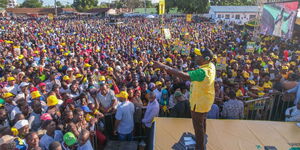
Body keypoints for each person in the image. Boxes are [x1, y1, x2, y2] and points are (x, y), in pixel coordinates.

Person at [154, 48, 215, 150]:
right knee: (203, 121)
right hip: (206, 100)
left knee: (198, 126)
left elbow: (184, 75)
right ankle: (202, 138)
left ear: (206, 59)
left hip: (199, 102)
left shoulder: (203, 72)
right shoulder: (211, 65)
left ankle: (200, 146)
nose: (196, 57)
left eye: (199, 56)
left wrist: (163, 66)